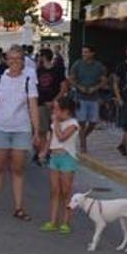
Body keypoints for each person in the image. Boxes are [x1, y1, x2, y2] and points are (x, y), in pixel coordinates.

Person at [0, 46, 40, 221]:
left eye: (19, 59)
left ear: (24, 61)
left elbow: (32, 106)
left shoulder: (28, 80)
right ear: (6, 60)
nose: (15, 62)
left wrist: (37, 131)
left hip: (21, 129)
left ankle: (18, 207)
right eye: (11, 59)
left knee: (18, 169)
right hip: (0, 127)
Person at [37, 97, 79, 234]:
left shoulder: (73, 124)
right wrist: (44, 150)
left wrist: (55, 122)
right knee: (55, 190)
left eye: (56, 109)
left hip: (67, 158)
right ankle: (53, 221)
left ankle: (66, 221)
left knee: (66, 191)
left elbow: (61, 137)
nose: (54, 111)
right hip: (55, 158)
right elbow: (52, 138)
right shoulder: (55, 124)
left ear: (65, 111)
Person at [69, 45, 108, 153]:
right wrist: (79, 86)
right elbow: (71, 78)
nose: (84, 54)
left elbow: (104, 80)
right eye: (83, 52)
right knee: (82, 122)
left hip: (94, 97)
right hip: (80, 97)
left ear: (92, 53)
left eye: (86, 52)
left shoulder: (98, 66)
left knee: (93, 123)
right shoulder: (77, 64)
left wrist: (95, 88)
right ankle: (83, 145)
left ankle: (83, 137)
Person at [35, 48, 69, 157]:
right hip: (41, 103)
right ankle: (45, 151)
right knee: (42, 130)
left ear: (43, 57)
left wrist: (54, 101)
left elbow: (63, 87)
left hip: (54, 105)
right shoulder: (38, 71)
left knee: (54, 129)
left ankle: (49, 150)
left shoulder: (57, 70)